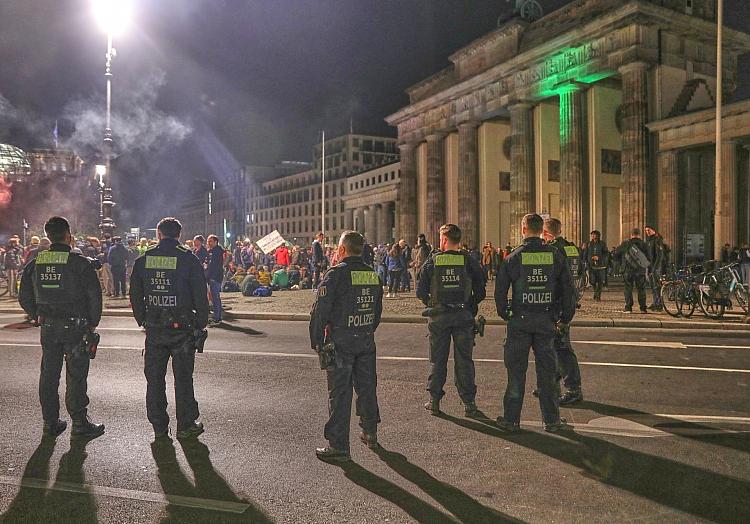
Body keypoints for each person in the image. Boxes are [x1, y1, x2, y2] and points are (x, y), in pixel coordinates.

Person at [18, 216, 105, 439]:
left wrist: (35, 313)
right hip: (75, 327)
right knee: (76, 375)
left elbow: (24, 294)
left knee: (49, 375)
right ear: (68, 235)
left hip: (48, 326)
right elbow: (94, 295)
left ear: (48, 236)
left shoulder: (37, 261)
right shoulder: (79, 262)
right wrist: (93, 321)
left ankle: (50, 423)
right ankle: (79, 424)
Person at [129, 217, 209, 440]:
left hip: (155, 328)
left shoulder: (144, 260)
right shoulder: (188, 260)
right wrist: (201, 322)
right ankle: (185, 425)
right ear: (179, 235)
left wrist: (143, 320)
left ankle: (159, 428)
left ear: (158, 234)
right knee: (183, 380)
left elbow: (134, 294)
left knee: (154, 379)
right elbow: (200, 295)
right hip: (182, 328)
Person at [494, 213, 575, 433]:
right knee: (547, 374)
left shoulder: (513, 257)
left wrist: (506, 314)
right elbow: (569, 289)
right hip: (546, 320)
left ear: (523, 229)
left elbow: (500, 292)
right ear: (541, 231)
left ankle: (511, 420)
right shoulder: (555, 255)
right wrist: (564, 318)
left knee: (516, 373)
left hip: (519, 321)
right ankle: (552, 421)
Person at [310, 231, 383, 462]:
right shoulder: (372, 275)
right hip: (365, 338)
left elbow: (319, 311)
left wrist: (317, 342)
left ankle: (339, 445)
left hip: (341, 341)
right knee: (367, 389)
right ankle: (370, 432)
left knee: (340, 394)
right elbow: (376, 312)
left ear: (342, 250)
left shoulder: (336, 274)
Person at [417, 224, 486, 417]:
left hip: (439, 317)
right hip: (463, 315)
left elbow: (420, 290)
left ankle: (435, 401)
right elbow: (481, 289)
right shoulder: (468, 260)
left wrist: (432, 302)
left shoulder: (433, 261)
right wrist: (470, 305)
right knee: (464, 360)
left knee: (438, 360)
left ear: (444, 240)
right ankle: (469, 403)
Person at [543, 218, 583, 405]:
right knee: (556, 345)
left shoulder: (554, 250)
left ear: (546, 232)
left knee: (562, 347)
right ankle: (552, 381)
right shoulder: (571, 248)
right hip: (570, 299)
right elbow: (580, 272)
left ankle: (573, 388)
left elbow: (554, 279)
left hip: (558, 302)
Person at [614, 228, 652, 314]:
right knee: (641, 289)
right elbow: (649, 259)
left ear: (631, 234)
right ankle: (643, 308)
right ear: (639, 234)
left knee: (628, 289)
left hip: (627, 270)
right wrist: (648, 270)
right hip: (640, 270)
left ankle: (628, 308)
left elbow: (616, 255)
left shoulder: (625, 243)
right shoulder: (644, 244)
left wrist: (621, 264)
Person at [644, 227, 666, 311]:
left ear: (654, 230)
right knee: (653, 286)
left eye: (649, 230)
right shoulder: (649, 240)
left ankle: (659, 304)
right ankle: (655, 302)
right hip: (650, 266)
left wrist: (655, 267)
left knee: (657, 285)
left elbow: (660, 255)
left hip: (656, 267)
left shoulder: (657, 240)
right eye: (646, 231)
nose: (647, 232)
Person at [205, 235, 224, 325]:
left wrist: (213, 277)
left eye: (211, 241)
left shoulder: (218, 251)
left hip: (215, 277)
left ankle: (217, 317)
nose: (209, 243)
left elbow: (216, 266)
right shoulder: (210, 251)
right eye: (208, 241)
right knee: (213, 297)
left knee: (215, 297)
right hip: (210, 277)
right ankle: (217, 316)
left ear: (216, 242)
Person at [586, 230, 608, 302]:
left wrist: (599, 257)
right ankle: (595, 291)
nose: (593, 236)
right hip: (591, 265)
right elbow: (586, 254)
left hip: (601, 266)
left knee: (600, 281)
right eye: (592, 235)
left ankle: (598, 295)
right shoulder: (589, 244)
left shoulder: (602, 244)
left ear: (598, 236)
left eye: (594, 235)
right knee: (592, 281)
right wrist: (587, 261)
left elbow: (606, 254)